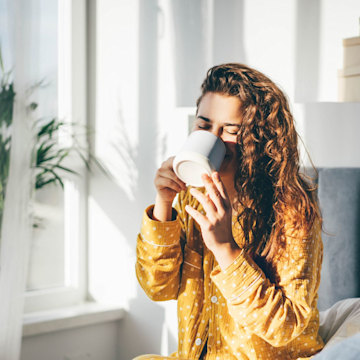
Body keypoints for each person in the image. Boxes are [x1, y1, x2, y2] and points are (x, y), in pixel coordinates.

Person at [134, 63, 324, 360]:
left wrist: (226, 249)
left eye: (231, 131)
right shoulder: (190, 199)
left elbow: (286, 327)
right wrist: (164, 203)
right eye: (203, 125)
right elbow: (158, 288)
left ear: (258, 139)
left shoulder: (291, 212)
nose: (213, 138)